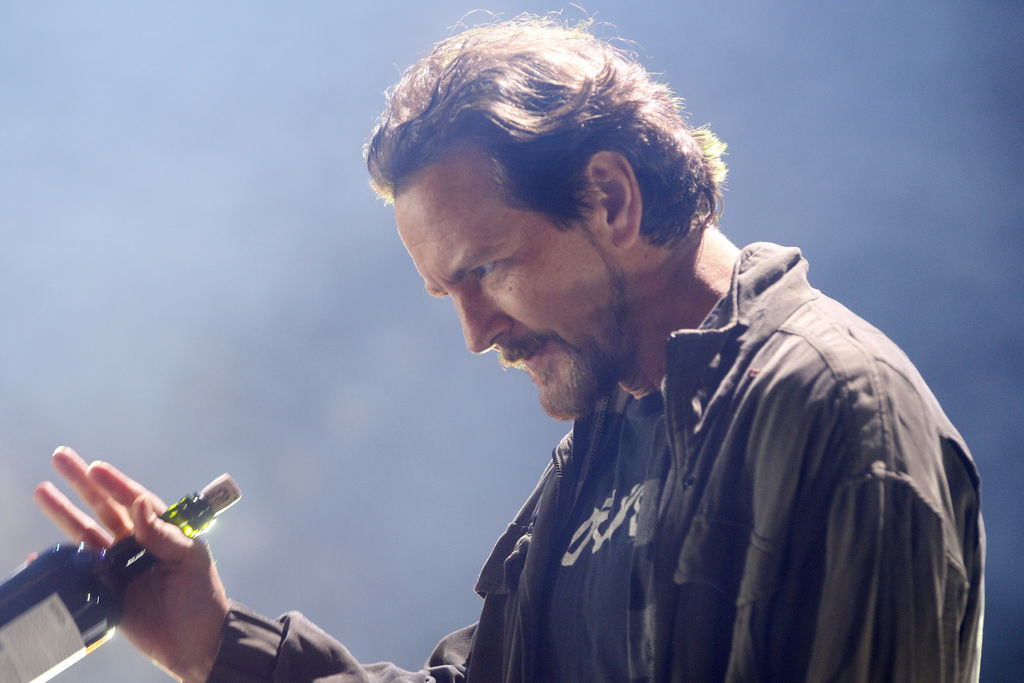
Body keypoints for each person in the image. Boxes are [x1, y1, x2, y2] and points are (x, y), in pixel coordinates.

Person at [35, 16, 984, 683]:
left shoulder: (832, 407)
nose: (475, 331)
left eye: (487, 269)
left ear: (611, 199)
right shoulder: (604, 443)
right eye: (448, 292)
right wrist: (214, 644)